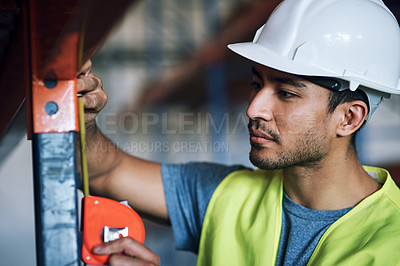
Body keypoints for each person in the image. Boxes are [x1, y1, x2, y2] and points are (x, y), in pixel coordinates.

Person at [77, 0, 400, 265]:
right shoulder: (226, 195)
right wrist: (84, 117)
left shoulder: (392, 244)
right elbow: (105, 169)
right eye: (257, 84)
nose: (253, 108)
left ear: (349, 118)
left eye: (286, 93)